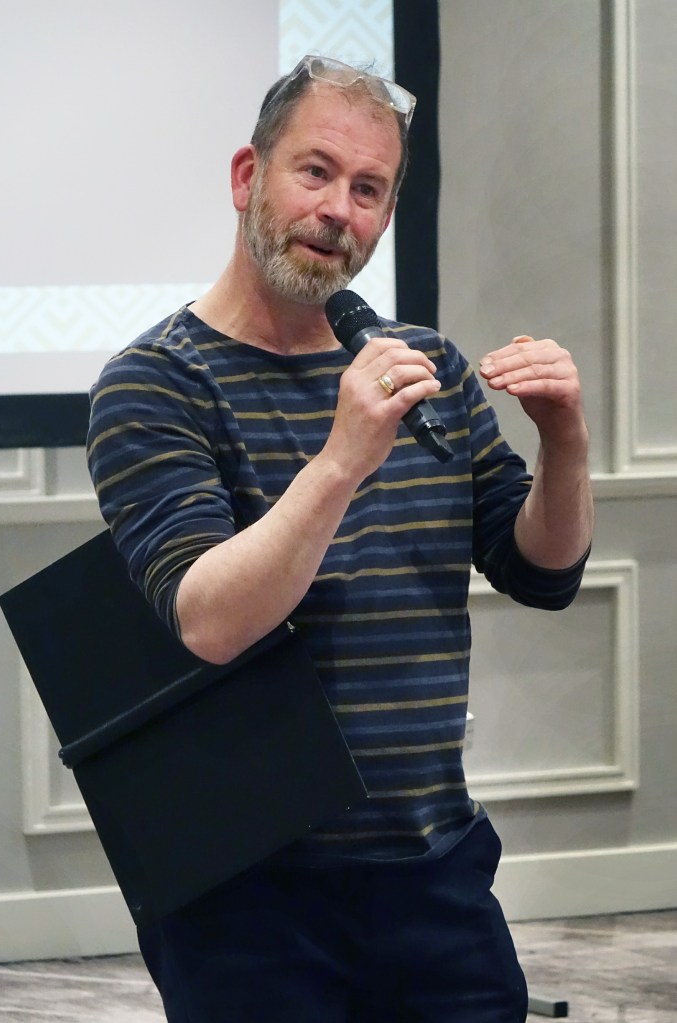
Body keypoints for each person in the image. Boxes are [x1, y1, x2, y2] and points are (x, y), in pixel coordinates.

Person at [87, 54, 593, 1023]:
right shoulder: (154, 383)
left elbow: (542, 570)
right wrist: (341, 459)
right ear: (249, 177)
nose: (336, 211)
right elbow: (209, 619)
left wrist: (564, 441)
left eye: (367, 190)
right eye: (314, 172)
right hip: (246, 898)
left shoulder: (424, 366)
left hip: (433, 866)